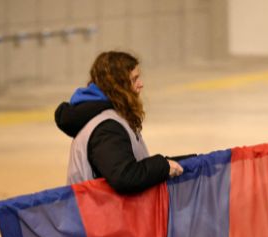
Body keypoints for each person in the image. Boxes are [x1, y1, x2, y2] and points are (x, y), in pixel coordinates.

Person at [55, 51, 184, 193]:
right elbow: (124, 177)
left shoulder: (113, 118)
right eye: (134, 79)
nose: (141, 84)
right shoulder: (106, 127)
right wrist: (162, 167)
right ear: (118, 86)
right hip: (95, 213)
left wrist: (179, 163)